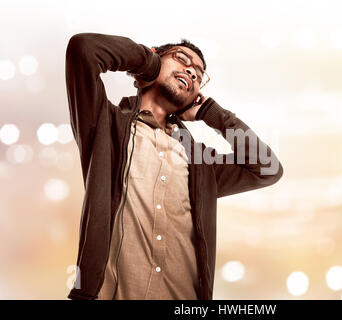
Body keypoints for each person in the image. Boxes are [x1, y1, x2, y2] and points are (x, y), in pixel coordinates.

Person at [65, 32, 283, 300]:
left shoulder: (200, 163)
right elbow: (84, 49)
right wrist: (148, 63)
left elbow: (268, 167)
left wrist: (210, 113)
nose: (192, 72)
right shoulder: (104, 126)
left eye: (199, 76)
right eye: (181, 59)